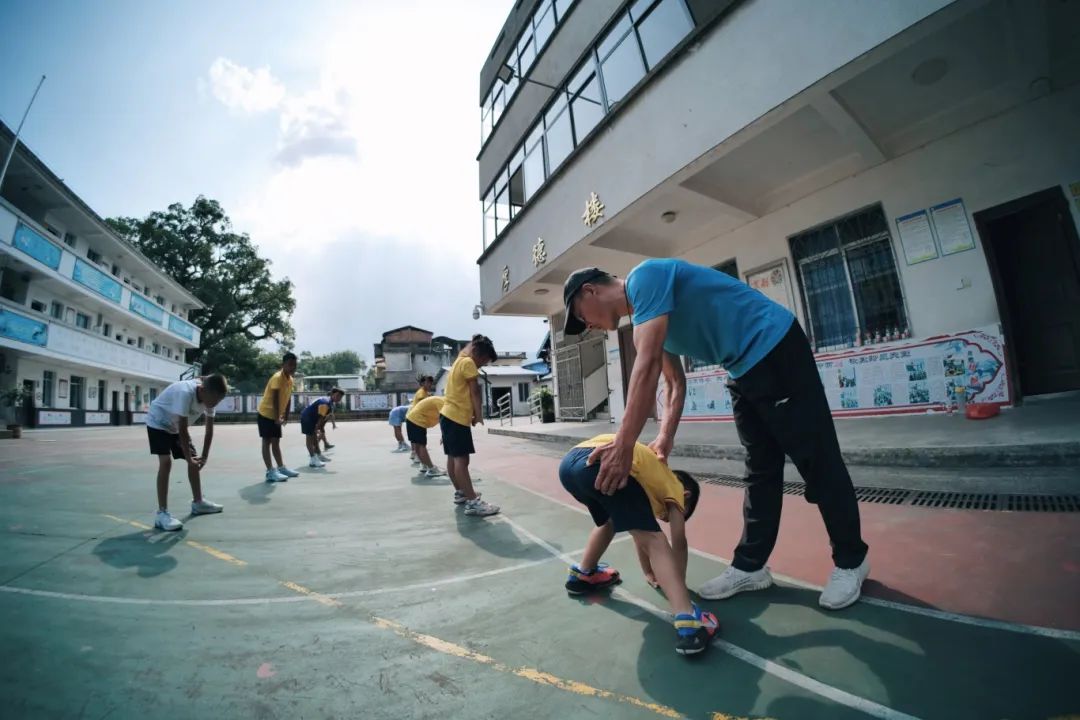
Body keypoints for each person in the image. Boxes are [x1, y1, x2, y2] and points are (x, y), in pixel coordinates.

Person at [562, 260, 870, 610]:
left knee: (817, 459)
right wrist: (665, 437)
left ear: (591, 290)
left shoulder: (644, 278)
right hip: (741, 369)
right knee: (759, 470)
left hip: (775, 347)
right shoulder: (646, 319)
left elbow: (645, 367)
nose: (586, 326)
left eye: (580, 316)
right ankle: (751, 566)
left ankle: (851, 560)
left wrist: (624, 444)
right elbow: (674, 382)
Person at [559, 434, 718, 655]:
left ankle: (583, 575)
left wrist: (649, 571)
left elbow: (638, 534)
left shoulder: (650, 481)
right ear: (685, 496)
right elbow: (678, 542)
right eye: (681, 513)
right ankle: (690, 622)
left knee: (610, 522)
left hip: (570, 466)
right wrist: (677, 585)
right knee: (656, 539)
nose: (670, 517)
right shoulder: (673, 487)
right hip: (604, 462)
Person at [145, 374, 229, 531]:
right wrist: (189, 458)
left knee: (195, 461)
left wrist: (204, 456)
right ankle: (162, 514)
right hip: (158, 422)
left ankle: (198, 503)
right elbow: (183, 429)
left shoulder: (211, 398)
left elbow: (209, 431)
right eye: (214, 400)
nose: (214, 404)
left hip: (175, 426)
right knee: (166, 462)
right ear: (202, 390)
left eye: (219, 401)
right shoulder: (185, 393)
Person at [439, 334, 500, 517]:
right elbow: (474, 391)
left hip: (447, 416)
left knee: (453, 458)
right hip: (456, 418)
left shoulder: (459, 361)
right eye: (484, 361)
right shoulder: (468, 363)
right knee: (462, 461)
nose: (482, 365)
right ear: (477, 353)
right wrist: (479, 415)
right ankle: (473, 503)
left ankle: (462, 493)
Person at [258, 352, 300, 482]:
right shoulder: (277, 378)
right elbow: (276, 399)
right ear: (283, 365)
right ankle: (270, 471)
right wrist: (277, 417)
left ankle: (281, 468)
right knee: (267, 442)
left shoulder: (290, 379)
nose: (293, 367)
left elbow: (287, 398)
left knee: (276, 442)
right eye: (290, 365)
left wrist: (286, 415)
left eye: (295, 365)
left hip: (276, 415)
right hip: (266, 413)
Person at [301, 388, 344, 468]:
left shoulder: (330, 402)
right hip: (307, 418)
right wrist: (317, 428)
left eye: (340, 397)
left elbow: (323, 418)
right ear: (332, 394)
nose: (338, 398)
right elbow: (321, 418)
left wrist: (318, 428)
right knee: (310, 439)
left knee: (314, 439)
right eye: (337, 395)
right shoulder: (325, 403)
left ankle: (318, 455)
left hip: (312, 418)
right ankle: (313, 460)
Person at [405, 395, 446, 477]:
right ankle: (431, 469)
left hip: (410, 419)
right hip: (418, 420)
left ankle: (425, 465)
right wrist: (444, 435)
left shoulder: (440, 400)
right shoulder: (443, 402)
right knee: (421, 446)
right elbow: (443, 420)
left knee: (417, 445)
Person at [408, 375, 435, 465]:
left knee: (417, 443)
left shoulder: (424, 393)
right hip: (417, 420)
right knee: (422, 445)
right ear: (422, 383)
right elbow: (424, 404)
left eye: (431, 382)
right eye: (428, 382)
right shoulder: (422, 393)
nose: (430, 384)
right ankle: (429, 467)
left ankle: (421, 462)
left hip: (412, 419)